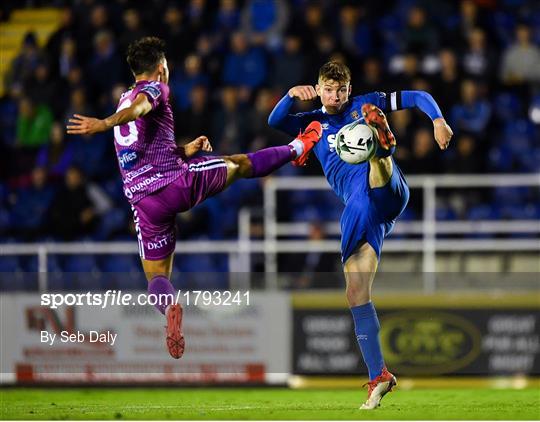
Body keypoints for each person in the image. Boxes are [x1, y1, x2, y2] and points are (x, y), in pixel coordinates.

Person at [66, 37, 320, 360]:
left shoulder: (121, 98)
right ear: (161, 68)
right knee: (240, 164)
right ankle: (299, 147)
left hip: (143, 202)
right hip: (174, 184)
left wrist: (184, 150)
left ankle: (170, 307)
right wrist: (102, 124)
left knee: (157, 276)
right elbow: (142, 106)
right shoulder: (156, 90)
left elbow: (143, 141)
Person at [268, 61, 453, 409]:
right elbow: (275, 122)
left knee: (374, 165)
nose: (335, 95)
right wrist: (290, 95)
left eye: (341, 90)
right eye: (328, 89)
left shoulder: (364, 102)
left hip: (380, 190)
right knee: (355, 293)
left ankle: (381, 147)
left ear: (349, 90)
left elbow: (418, 96)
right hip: (364, 215)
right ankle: (379, 375)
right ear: (318, 89)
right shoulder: (312, 123)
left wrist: (438, 120)